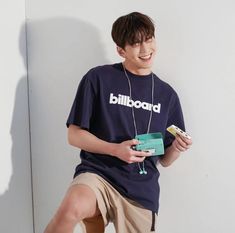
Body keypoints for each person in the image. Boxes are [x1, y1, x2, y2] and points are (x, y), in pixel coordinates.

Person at [44, 11, 192, 233]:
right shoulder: (99, 78)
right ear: (121, 50)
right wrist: (115, 150)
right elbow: (74, 135)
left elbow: (166, 160)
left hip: (141, 191)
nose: (145, 49)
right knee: (71, 208)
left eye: (149, 39)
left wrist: (178, 148)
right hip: (98, 175)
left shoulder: (166, 95)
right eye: (135, 43)